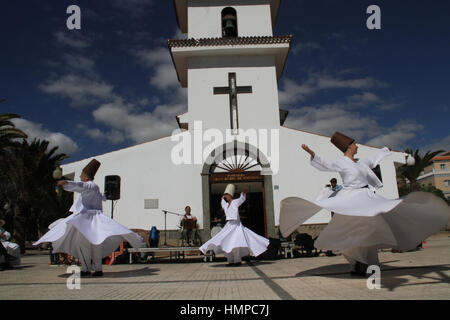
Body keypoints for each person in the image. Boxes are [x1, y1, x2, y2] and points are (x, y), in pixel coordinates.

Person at [280, 132, 450, 276]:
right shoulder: (342, 162)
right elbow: (327, 164)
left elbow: (373, 159)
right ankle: (358, 263)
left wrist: (385, 151)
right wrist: (312, 154)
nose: (357, 146)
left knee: (370, 231)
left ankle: (366, 264)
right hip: (351, 200)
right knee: (355, 232)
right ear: (349, 147)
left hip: (366, 198)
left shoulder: (360, 163)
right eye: (354, 144)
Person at [34, 159, 143, 277]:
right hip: (96, 220)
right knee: (96, 244)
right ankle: (98, 269)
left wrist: (66, 183)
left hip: (86, 220)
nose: (80, 176)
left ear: (86, 177)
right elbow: (101, 196)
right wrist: (105, 195)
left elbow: (80, 186)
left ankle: (86, 269)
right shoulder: (94, 187)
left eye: (82, 174)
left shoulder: (89, 185)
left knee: (83, 245)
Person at [200, 184, 270, 266]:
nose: (226, 197)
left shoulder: (235, 202)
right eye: (225, 196)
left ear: (230, 196)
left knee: (236, 243)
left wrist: (243, 193)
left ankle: (237, 260)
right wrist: (222, 198)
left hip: (236, 226)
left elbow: (242, 199)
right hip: (229, 225)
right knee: (226, 242)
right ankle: (230, 261)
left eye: (227, 195)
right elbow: (222, 202)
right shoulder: (226, 206)